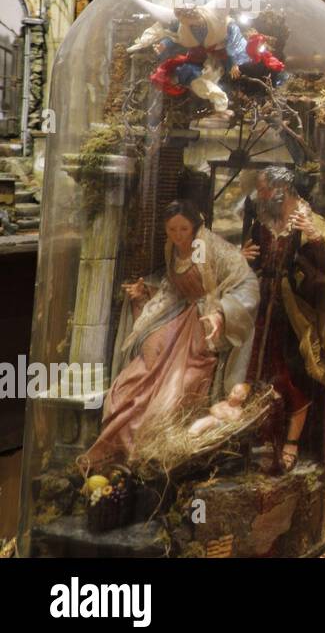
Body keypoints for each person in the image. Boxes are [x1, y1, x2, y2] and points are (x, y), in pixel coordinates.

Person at [79, 201, 258, 473]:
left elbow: (248, 285)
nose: (178, 235)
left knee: (177, 388)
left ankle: (156, 451)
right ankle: (121, 446)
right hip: (180, 318)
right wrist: (146, 291)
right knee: (139, 371)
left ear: (195, 226)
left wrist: (221, 314)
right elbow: (172, 285)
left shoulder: (213, 247)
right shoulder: (171, 249)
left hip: (204, 329)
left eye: (184, 228)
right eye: (172, 229)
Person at [241, 168, 325, 472]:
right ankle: (263, 437)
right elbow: (254, 260)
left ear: (281, 190)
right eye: (259, 190)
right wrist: (244, 256)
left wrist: (315, 240)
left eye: (264, 190)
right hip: (264, 308)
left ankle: (292, 441)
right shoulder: (263, 223)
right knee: (259, 371)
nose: (260, 196)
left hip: (295, 313)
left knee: (292, 375)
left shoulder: (308, 222)